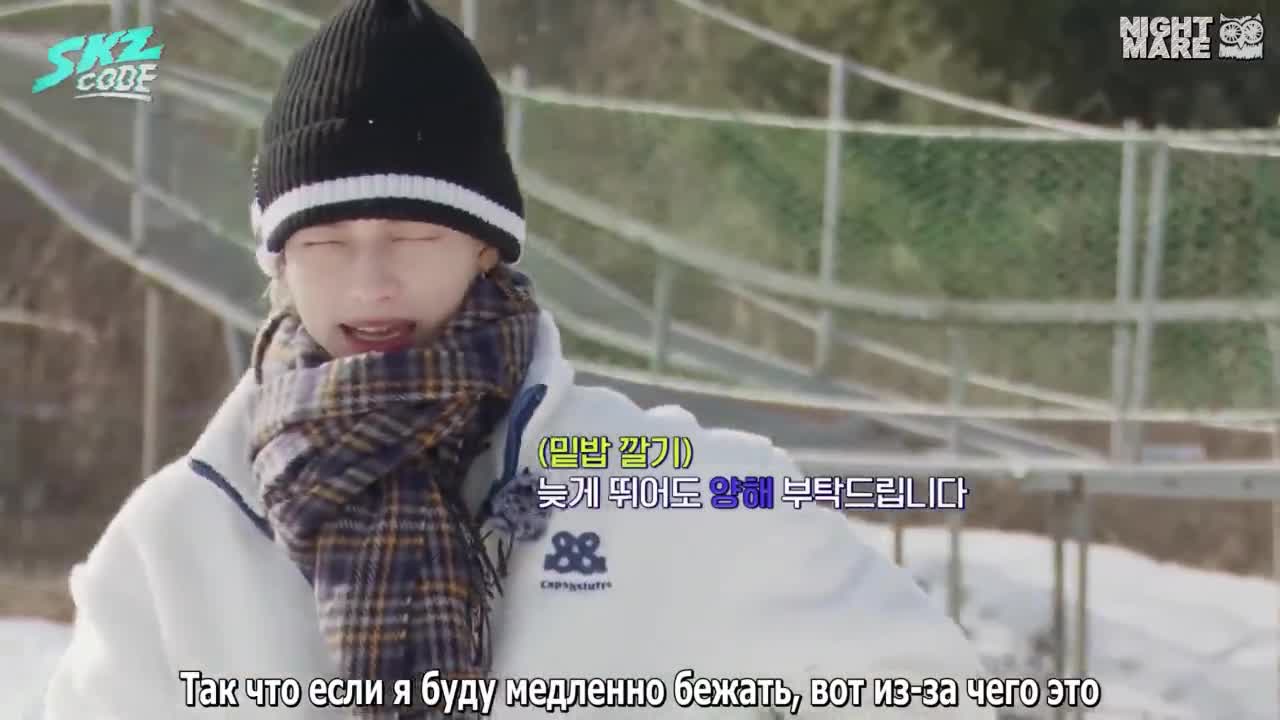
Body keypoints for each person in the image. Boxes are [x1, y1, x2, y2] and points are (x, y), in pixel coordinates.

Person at [43, 1, 993, 718]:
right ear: (280, 264)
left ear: (485, 247)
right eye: (325, 242)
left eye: (414, 233)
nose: (371, 283)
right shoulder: (176, 546)